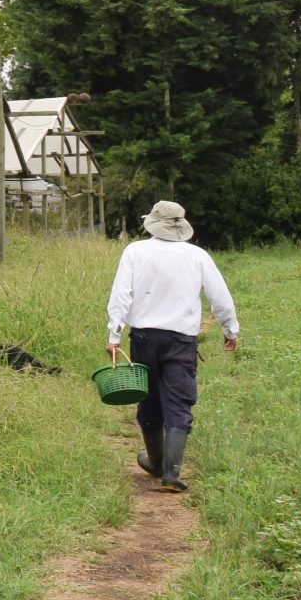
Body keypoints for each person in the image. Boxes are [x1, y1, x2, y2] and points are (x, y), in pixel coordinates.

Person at [106, 199, 238, 494]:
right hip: (180, 340)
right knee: (179, 401)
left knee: (149, 398)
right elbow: (220, 298)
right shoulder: (197, 256)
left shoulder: (135, 251)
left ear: (152, 223)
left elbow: (121, 294)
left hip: (143, 338)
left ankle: (156, 461)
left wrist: (114, 335)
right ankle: (171, 472)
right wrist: (230, 330)